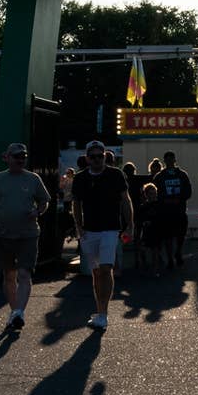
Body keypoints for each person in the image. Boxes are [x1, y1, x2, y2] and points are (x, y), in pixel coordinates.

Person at [0, 143, 53, 335]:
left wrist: (37, 211)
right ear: (7, 157)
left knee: (24, 274)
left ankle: (19, 311)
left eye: (23, 156)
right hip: (4, 235)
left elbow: (45, 201)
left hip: (28, 235)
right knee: (9, 275)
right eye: (17, 156)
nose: (21, 159)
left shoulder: (33, 179)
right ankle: (15, 313)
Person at [71, 138, 133, 328]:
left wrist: (130, 224)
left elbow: (125, 200)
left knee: (106, 269)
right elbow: (76, 203)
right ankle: (99, 311)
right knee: (96, 272)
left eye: (101, 156)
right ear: (87, 158)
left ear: (105, 156)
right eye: (94, 156)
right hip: (89, 230)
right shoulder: (80, 178)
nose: (98, 159)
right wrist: (79, 226)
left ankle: (104, 313)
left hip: (110, 228)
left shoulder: (116, 175)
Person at [153, 150, 194, 273]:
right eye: (168, 160)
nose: (170, 162)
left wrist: (179, 199)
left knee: (180, 234)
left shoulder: (182, 175)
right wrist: (164, 201)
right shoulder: (160, 177)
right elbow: (156, 193)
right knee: (168, 237)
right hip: (166, 212)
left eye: (172, 159)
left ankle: (178, 252)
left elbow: (188, 191)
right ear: (164, 161)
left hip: (180, 210)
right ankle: (170, 258)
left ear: (175, 160)